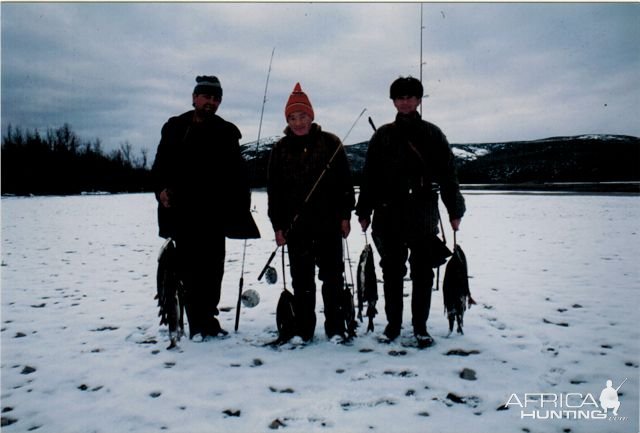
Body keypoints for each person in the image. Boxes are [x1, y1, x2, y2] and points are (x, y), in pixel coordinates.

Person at [356, 76, 466, 347]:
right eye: (400, 97)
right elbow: (369, 177)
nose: (405, 101)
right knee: (392, 271)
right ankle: (393, 326)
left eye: (410, 97)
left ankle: (420, 327)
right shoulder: (382, 135)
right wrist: (364, 210)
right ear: (393, 101)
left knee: (423, 272)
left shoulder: (433, 134)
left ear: (418, 100)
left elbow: (448, 176)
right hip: (387, 213)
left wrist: (455, 210)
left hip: (423, 214)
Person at [151, 75, 259, 341]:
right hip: (181, 212)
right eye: (206, 96)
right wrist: (160, 190)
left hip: (214, 213)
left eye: (215, 98)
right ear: (194, 98)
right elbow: (159, 166)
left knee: (212, 271)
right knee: (187, 270)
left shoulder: (227, 131)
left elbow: (238, 176)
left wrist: (241, 207)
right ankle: (192, 320)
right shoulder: (175, 127)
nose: (211, 102)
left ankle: (207, 320)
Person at [267, 82, 355, 343]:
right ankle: (304, 329)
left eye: (302, 115)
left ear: (311, 115)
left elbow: (345, 184)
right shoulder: (279, 149)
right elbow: (275, 192)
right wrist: (278, 226)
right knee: (302, 282)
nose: (298, 122)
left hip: (329, 226)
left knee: (333, 280)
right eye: (292, 117)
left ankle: (336, 327)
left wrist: (345, 215)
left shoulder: (331, 142)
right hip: (297, 230)